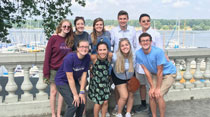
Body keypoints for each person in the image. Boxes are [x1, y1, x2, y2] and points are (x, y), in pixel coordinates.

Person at [136, 33, 176, 117]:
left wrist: (157, 88)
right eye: (143, 41)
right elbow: (146, 71)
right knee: (151, 94)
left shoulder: (158, 52)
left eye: (147, 40)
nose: (145, 42)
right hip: (154, 74)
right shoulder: (138, 53)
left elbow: (160, 71)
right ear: (140, 43)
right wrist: (152, 87)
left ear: (151, 42)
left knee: (159, 94)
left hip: (169, 73)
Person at [43, 19, 74, 117]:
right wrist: (46, 72)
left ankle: (59, 114)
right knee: (53, 91)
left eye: (68, 27)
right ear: (60, 27)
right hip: (54, 69)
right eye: (64, 26)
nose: (66, 28)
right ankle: (53, 114)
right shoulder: (53, 38)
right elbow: (47, 55)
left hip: (65, 71)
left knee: (61, 93)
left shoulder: (70, 40)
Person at [135, 13, 164, 113]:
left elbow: (160, 51)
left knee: (152, 87)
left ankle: (152, 110)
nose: (146, 22)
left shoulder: (156, 34)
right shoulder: (136, 34)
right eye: (143, 21)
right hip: (139, 66)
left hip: (151, 68)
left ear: (150, 22)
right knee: (142, 85)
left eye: (148, 20)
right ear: (140, 23)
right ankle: (143, 104)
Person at [110, 10, 136, 115]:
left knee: (130, 93)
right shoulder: (114, 31)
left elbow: (135, 45)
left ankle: (128, 111)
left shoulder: (132, 30)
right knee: (120, 92)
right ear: (118, 19)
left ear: (127, 19)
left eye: (124, 18)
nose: (122, 21)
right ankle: (119, 108)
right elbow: (111, 45)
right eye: (120, 19)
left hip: (130, 63)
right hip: (118, 64)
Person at [55, 40, 90, 117]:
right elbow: (69, 78)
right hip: (62, 81)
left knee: (82, 101)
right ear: (77, 48)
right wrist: (75, 95)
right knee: (73, 104)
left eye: (86, 47)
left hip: (74, 80)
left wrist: (81, 92)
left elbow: (84, 76)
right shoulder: (69, 58)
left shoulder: (87, 57)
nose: (84, 49)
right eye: (82, 46)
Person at [112, 38, 135, 117]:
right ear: (119, 48)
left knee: (131, 94)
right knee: (124, 96)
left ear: (130, 45)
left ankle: (128, 112)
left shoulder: (134, 55)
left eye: (126, 45)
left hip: (131, 76)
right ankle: (119, 113)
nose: (125, 47)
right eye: (122, 46)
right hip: (118, 76)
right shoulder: (115, 57)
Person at [88, 42, 112, 117]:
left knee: (105, 102)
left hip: (106, 82)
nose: (102, 52)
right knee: (98, 102)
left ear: (107, 50)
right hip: (97, 83)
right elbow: (84, 58)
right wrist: (90, 69)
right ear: (97, 51)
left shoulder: (109, 56)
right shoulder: (94, 57)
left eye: (104, 49)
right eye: (100, 50)